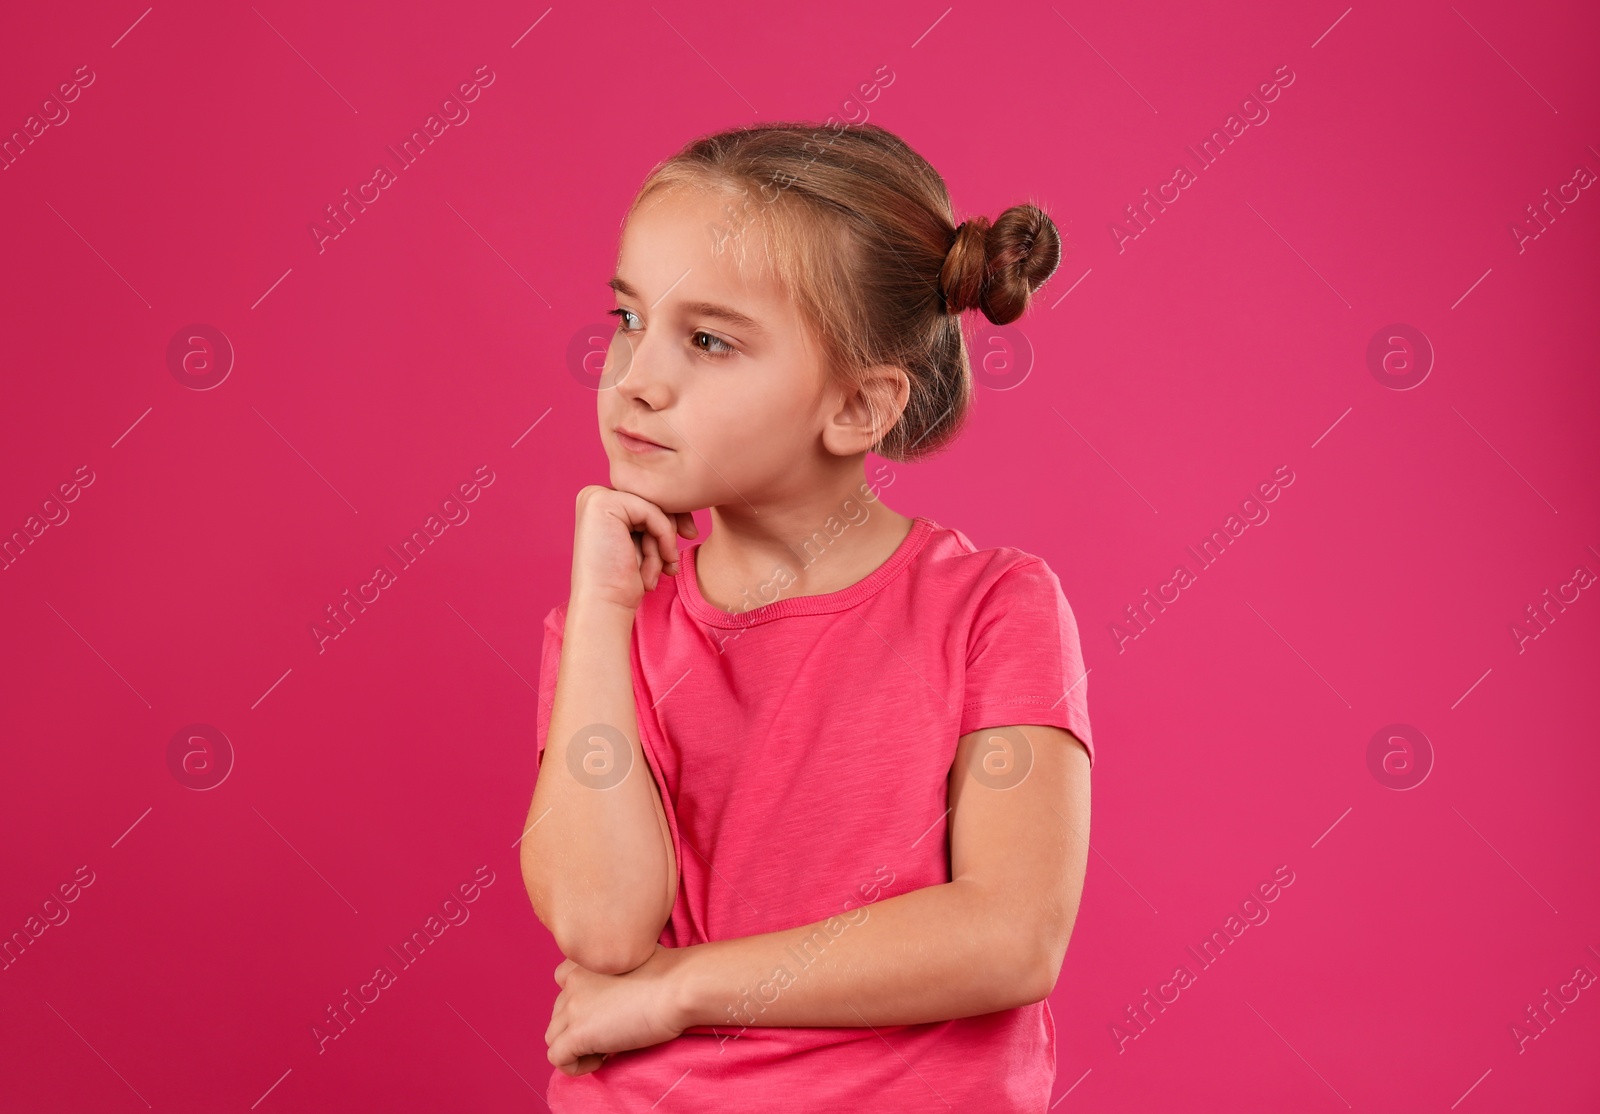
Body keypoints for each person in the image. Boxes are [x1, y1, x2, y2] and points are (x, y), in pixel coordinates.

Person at [521, 120, 1094, 1112]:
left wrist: (681, 989)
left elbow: (1010, 935)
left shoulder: (993, 607)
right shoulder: (610, 633)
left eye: (706, 339)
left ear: (859, 408)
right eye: (626, 321)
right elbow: (602, 927)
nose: (635, 377)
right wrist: (606, 610)